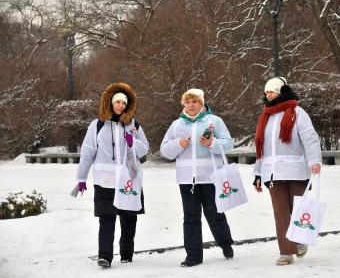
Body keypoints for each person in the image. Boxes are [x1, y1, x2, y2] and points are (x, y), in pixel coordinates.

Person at [76, 82, 149, 268]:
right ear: (110, 102)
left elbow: (145, 148)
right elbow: (87, 152)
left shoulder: (134, 125)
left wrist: (133, 143)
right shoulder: (97, 125)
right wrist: (81, 178)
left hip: (129, 181)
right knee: (107, 219)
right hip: (105, 181)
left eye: (124, 103)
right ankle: (105, 256)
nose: (120, 106)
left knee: (128, 218)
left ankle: (126, 254)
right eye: (117, 102)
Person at [160, 88, 235, 267]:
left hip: (210, 177)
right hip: (187, 180)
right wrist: (178, 144)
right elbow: (164, 150)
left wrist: (213, 143)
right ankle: (193, 256)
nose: (191, 105)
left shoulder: (214, 121)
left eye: (195, 102)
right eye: (188, 102)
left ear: (202, 103)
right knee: (191, 217)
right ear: (183, 104)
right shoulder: (176, 125)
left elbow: (228, 143)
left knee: (215, 214)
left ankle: (225, 244)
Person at [253, 77, 321, 266]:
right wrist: (258, 174)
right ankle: (286, 252)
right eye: (267, 92)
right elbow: (261, 149)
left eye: (272, 91)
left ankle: (299, 241)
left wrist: (314, 160)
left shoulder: (297, 112)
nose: (269, 95)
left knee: (297, 210)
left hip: (297, 171)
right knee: (280, 212)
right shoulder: (264, 117)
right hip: (272, 173)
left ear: (282, 92)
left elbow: (310, 138)